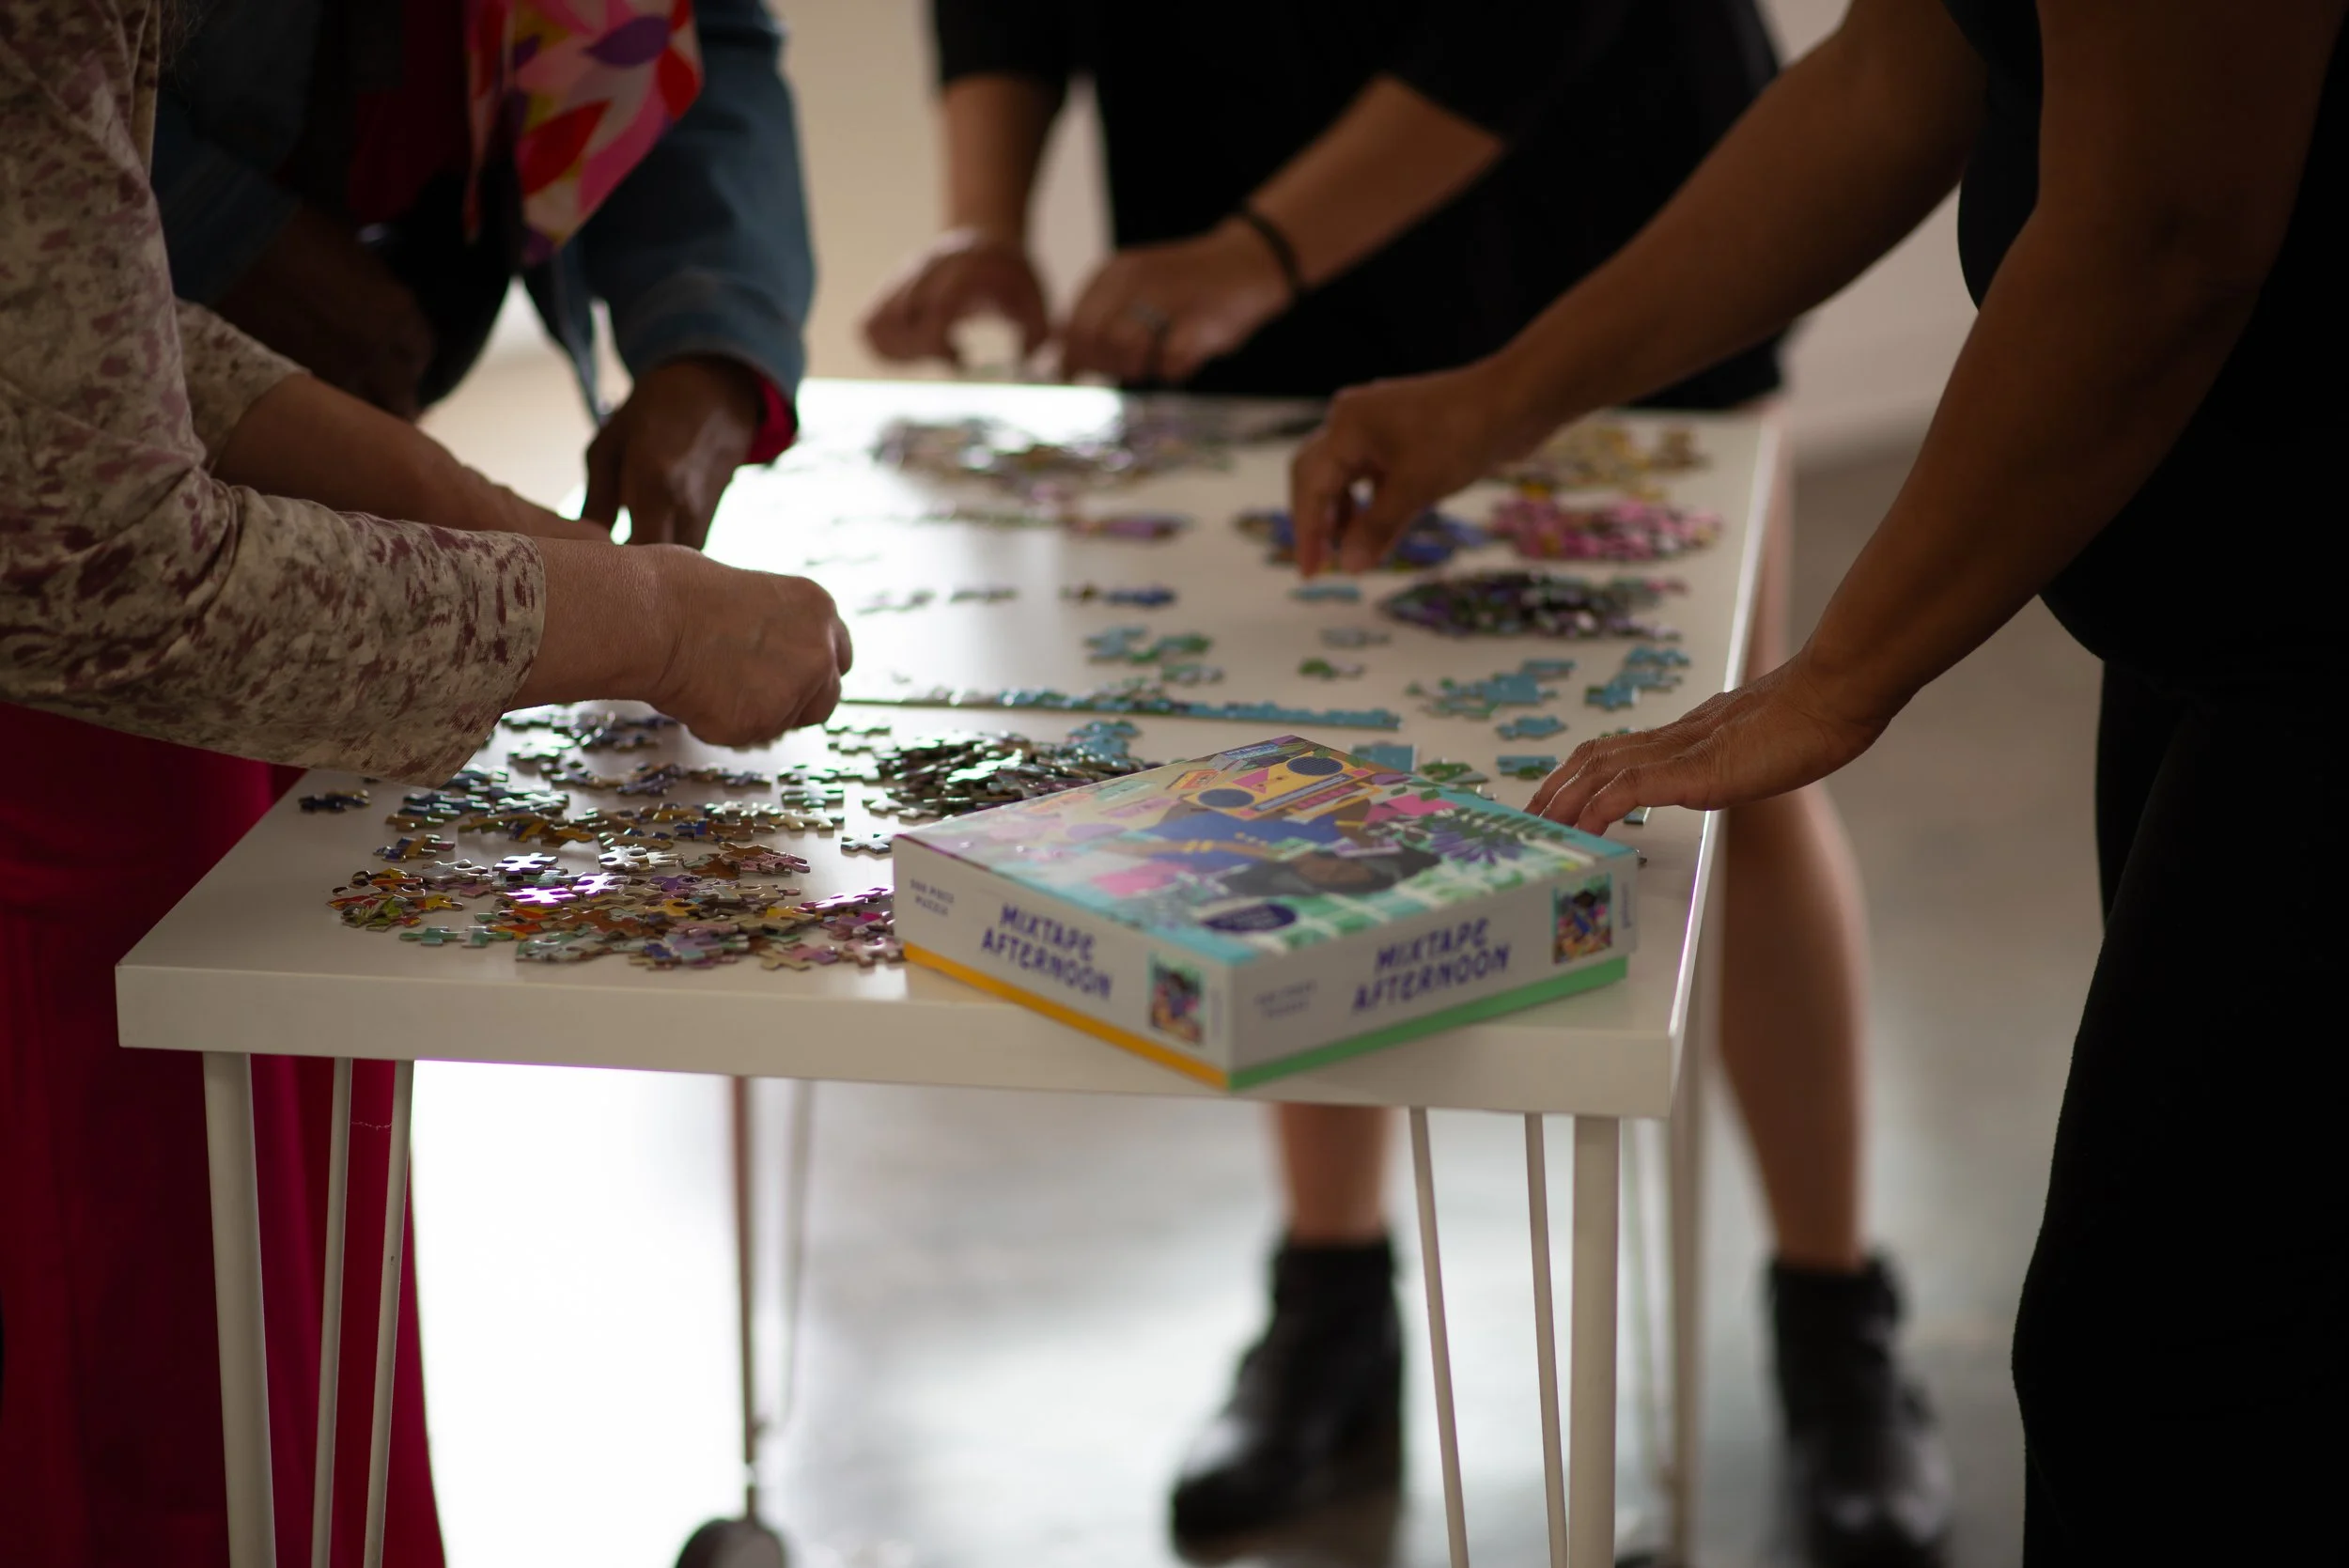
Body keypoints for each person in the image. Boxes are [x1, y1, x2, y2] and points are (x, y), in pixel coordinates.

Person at [862, 6, 1951, 1561]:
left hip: (1606, 221)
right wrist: (987, 211)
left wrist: (1258, 245)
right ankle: (1330, 1298)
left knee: (1730, 770)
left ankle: (1836, 1321)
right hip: (1240, 217)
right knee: (1288, 780)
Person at [1288, 0, 2348, 1558]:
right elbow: (1899, 65)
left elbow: (2167, 232)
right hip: (2229, 618)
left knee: (2168, 1368)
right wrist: (1495, 398)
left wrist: (1839, 672)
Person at [0, 4, 850, 1561]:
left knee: (264, 1254)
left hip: (215, 585)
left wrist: (481, 515)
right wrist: (644, 625)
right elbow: (119, 572)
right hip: (70, 699)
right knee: (116, 1281)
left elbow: (79, 325)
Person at [154, 0, 815, 550]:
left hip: (379, 348)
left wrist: (711, 344)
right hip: (121, 381)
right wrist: (223, 231)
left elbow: (696, 34)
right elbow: (57, 83)